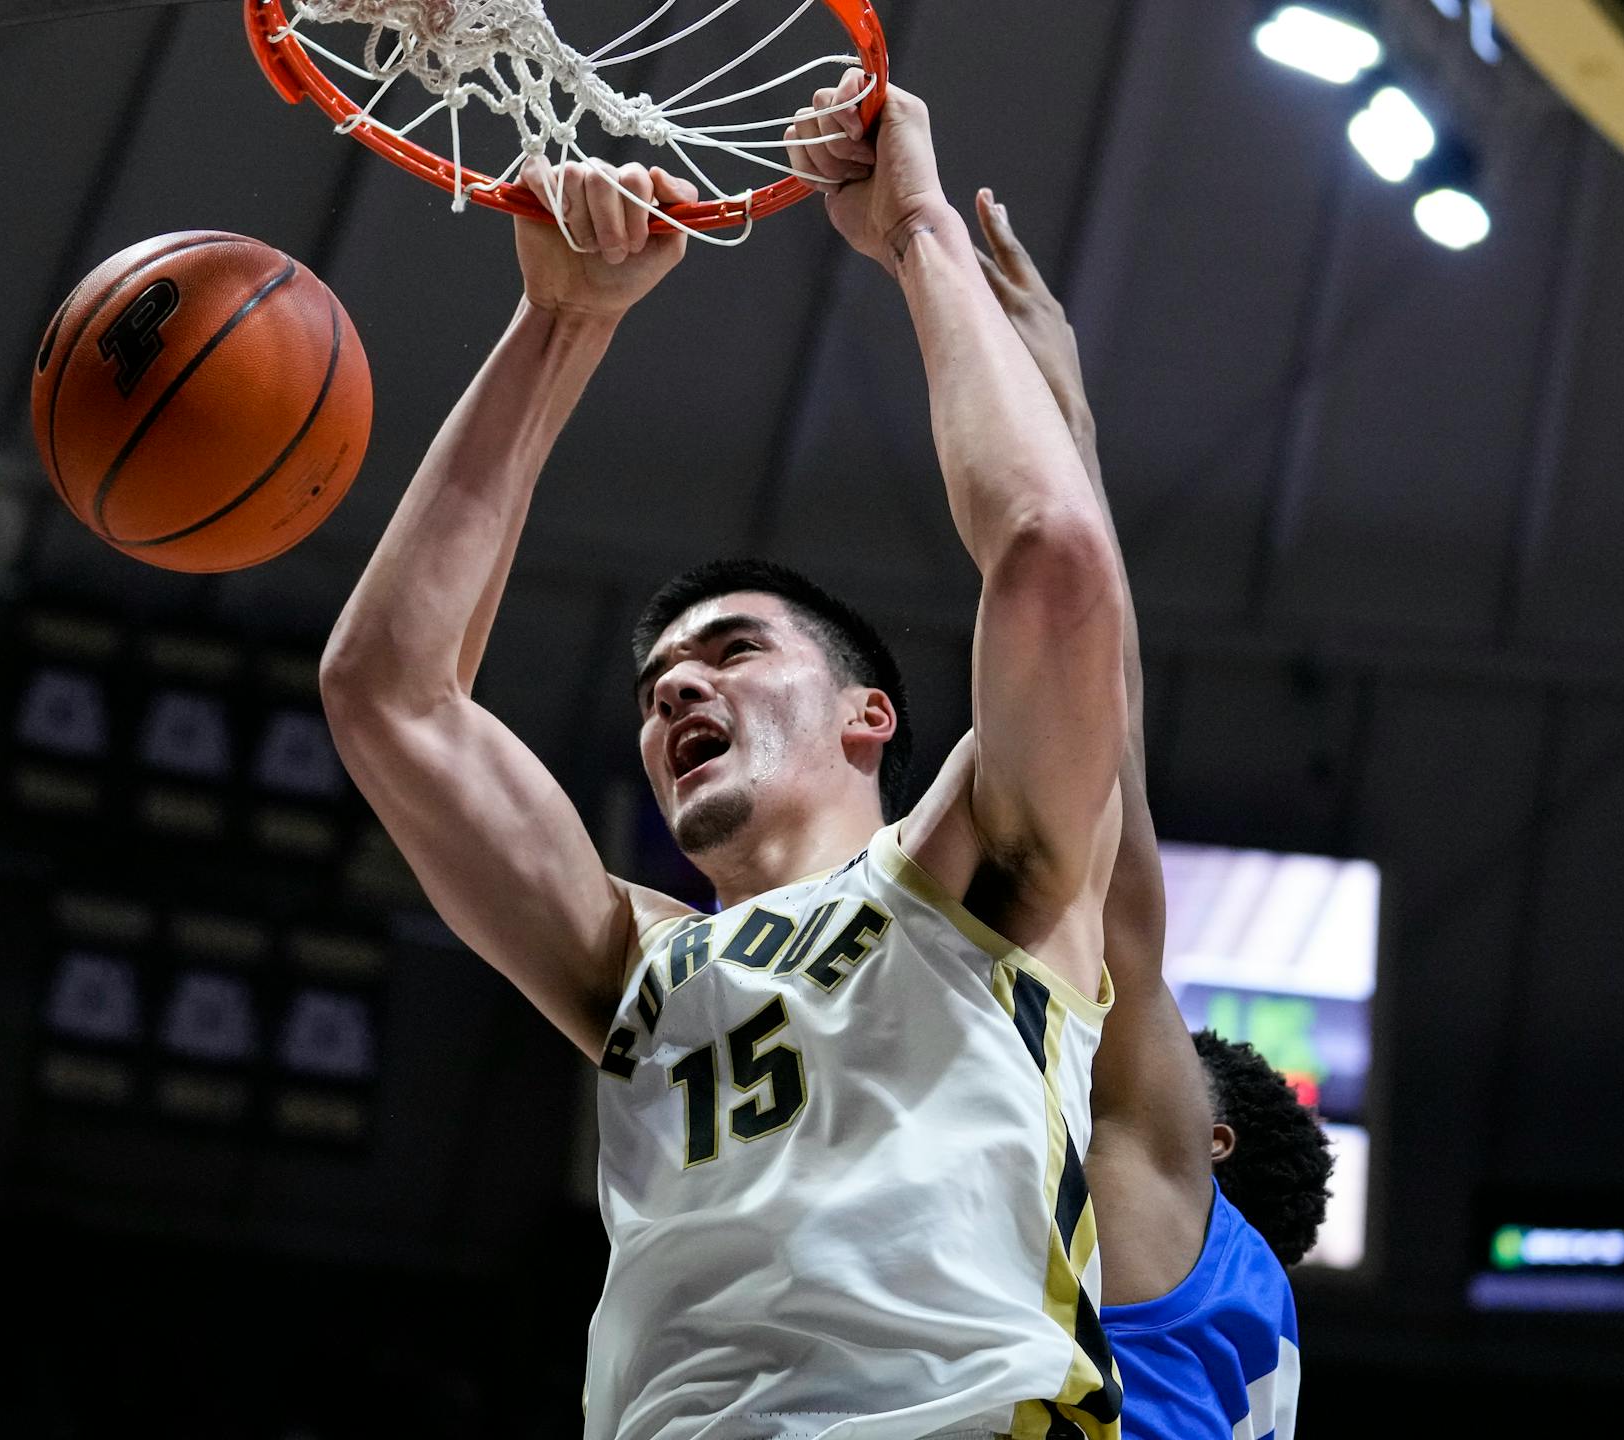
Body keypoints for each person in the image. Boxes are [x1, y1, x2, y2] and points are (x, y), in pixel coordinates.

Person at [321, 73, 1129, 1440]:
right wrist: (560, 321)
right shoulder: (632, 965)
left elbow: (1052, 558)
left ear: (871, 715)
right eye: (655, 686)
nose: (680, 682)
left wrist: (915, 231)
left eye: (737, 649)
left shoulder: (983, 875)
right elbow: (389, 693)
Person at [973, 192, 1336, 1440]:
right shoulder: (1245, 1338)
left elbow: (1111, 824)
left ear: (1205, 1142)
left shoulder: (1161, 1212)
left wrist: (1065, 421)